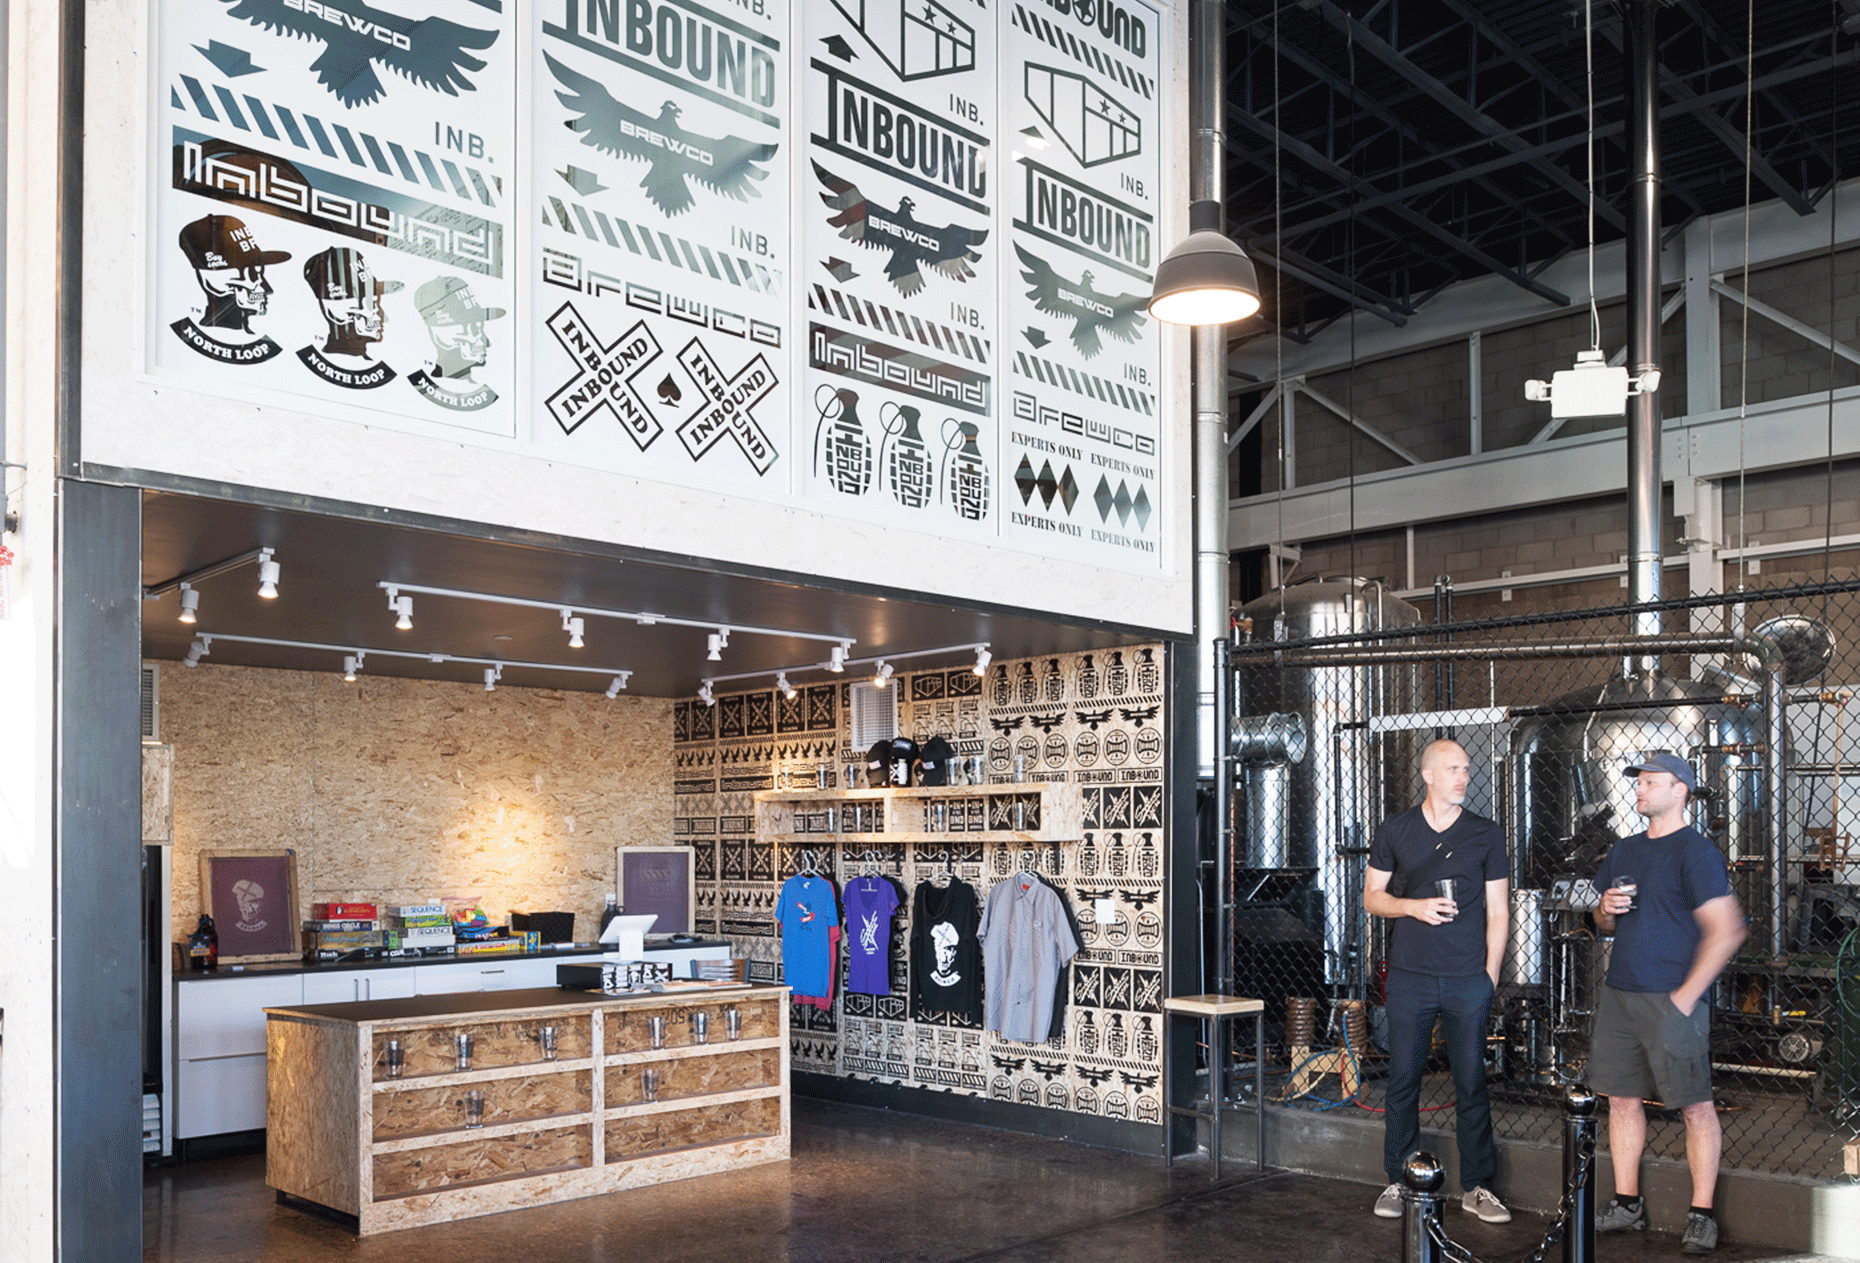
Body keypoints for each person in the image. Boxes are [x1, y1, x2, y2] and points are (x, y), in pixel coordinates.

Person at [1590, 752, 1746, 1255]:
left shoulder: (1695, 852)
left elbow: (1727, 931)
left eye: (1650, 782)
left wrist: (1684, 997)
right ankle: (1627, 1203)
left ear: (1680, 790)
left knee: (1696, 1106)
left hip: (1671, 999)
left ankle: (1701, 1214)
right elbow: (1605, 924)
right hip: (1620, 993)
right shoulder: (1624, 850)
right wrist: (1604, 910)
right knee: (1620, 1098)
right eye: (1638, 781)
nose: (1639, 789)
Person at [1365, 738, 1512, 1223]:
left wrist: (1489, 976)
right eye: (1453, 769)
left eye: (1466, 769)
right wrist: (1414, 907)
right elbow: (1372, 898)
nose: (1464, 777)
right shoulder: (1396, 830)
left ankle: (1478, 1187)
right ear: (1427, 775)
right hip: (1410, 977)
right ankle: (1398, 1179)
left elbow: (1498, 911)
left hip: (1467, 979)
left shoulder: (1486, 835)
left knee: (1471, 1082)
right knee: (1403, 1079)